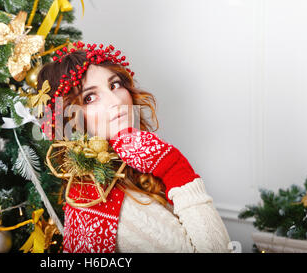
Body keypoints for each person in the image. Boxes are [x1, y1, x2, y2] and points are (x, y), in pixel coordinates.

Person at [36, 41, 231, 253]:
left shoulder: (141, 160)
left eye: (115, 85)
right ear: (71, 120)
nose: (115, 101)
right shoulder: (106, 201)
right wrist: (175, 167)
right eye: (90, 97)